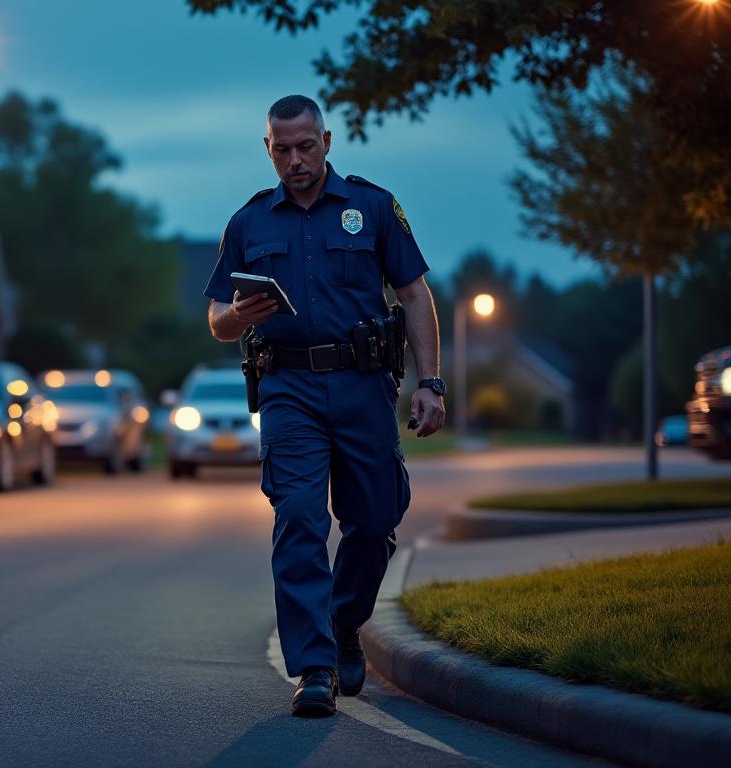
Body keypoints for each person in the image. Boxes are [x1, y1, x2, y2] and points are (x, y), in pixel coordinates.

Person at [204, 95, 445, 717]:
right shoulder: (249, 223)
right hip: (289, 390)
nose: (294, 159)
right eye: (281, 149)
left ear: (327, 141)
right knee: (300, 518)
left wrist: (431, 381)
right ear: (267, 150)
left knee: (373, 521)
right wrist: (237, 314)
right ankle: (313, 668)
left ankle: (342, 625)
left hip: (364, 386)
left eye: (305, 146)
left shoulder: (371, 207)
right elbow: (217, 321)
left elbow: (415, 295)